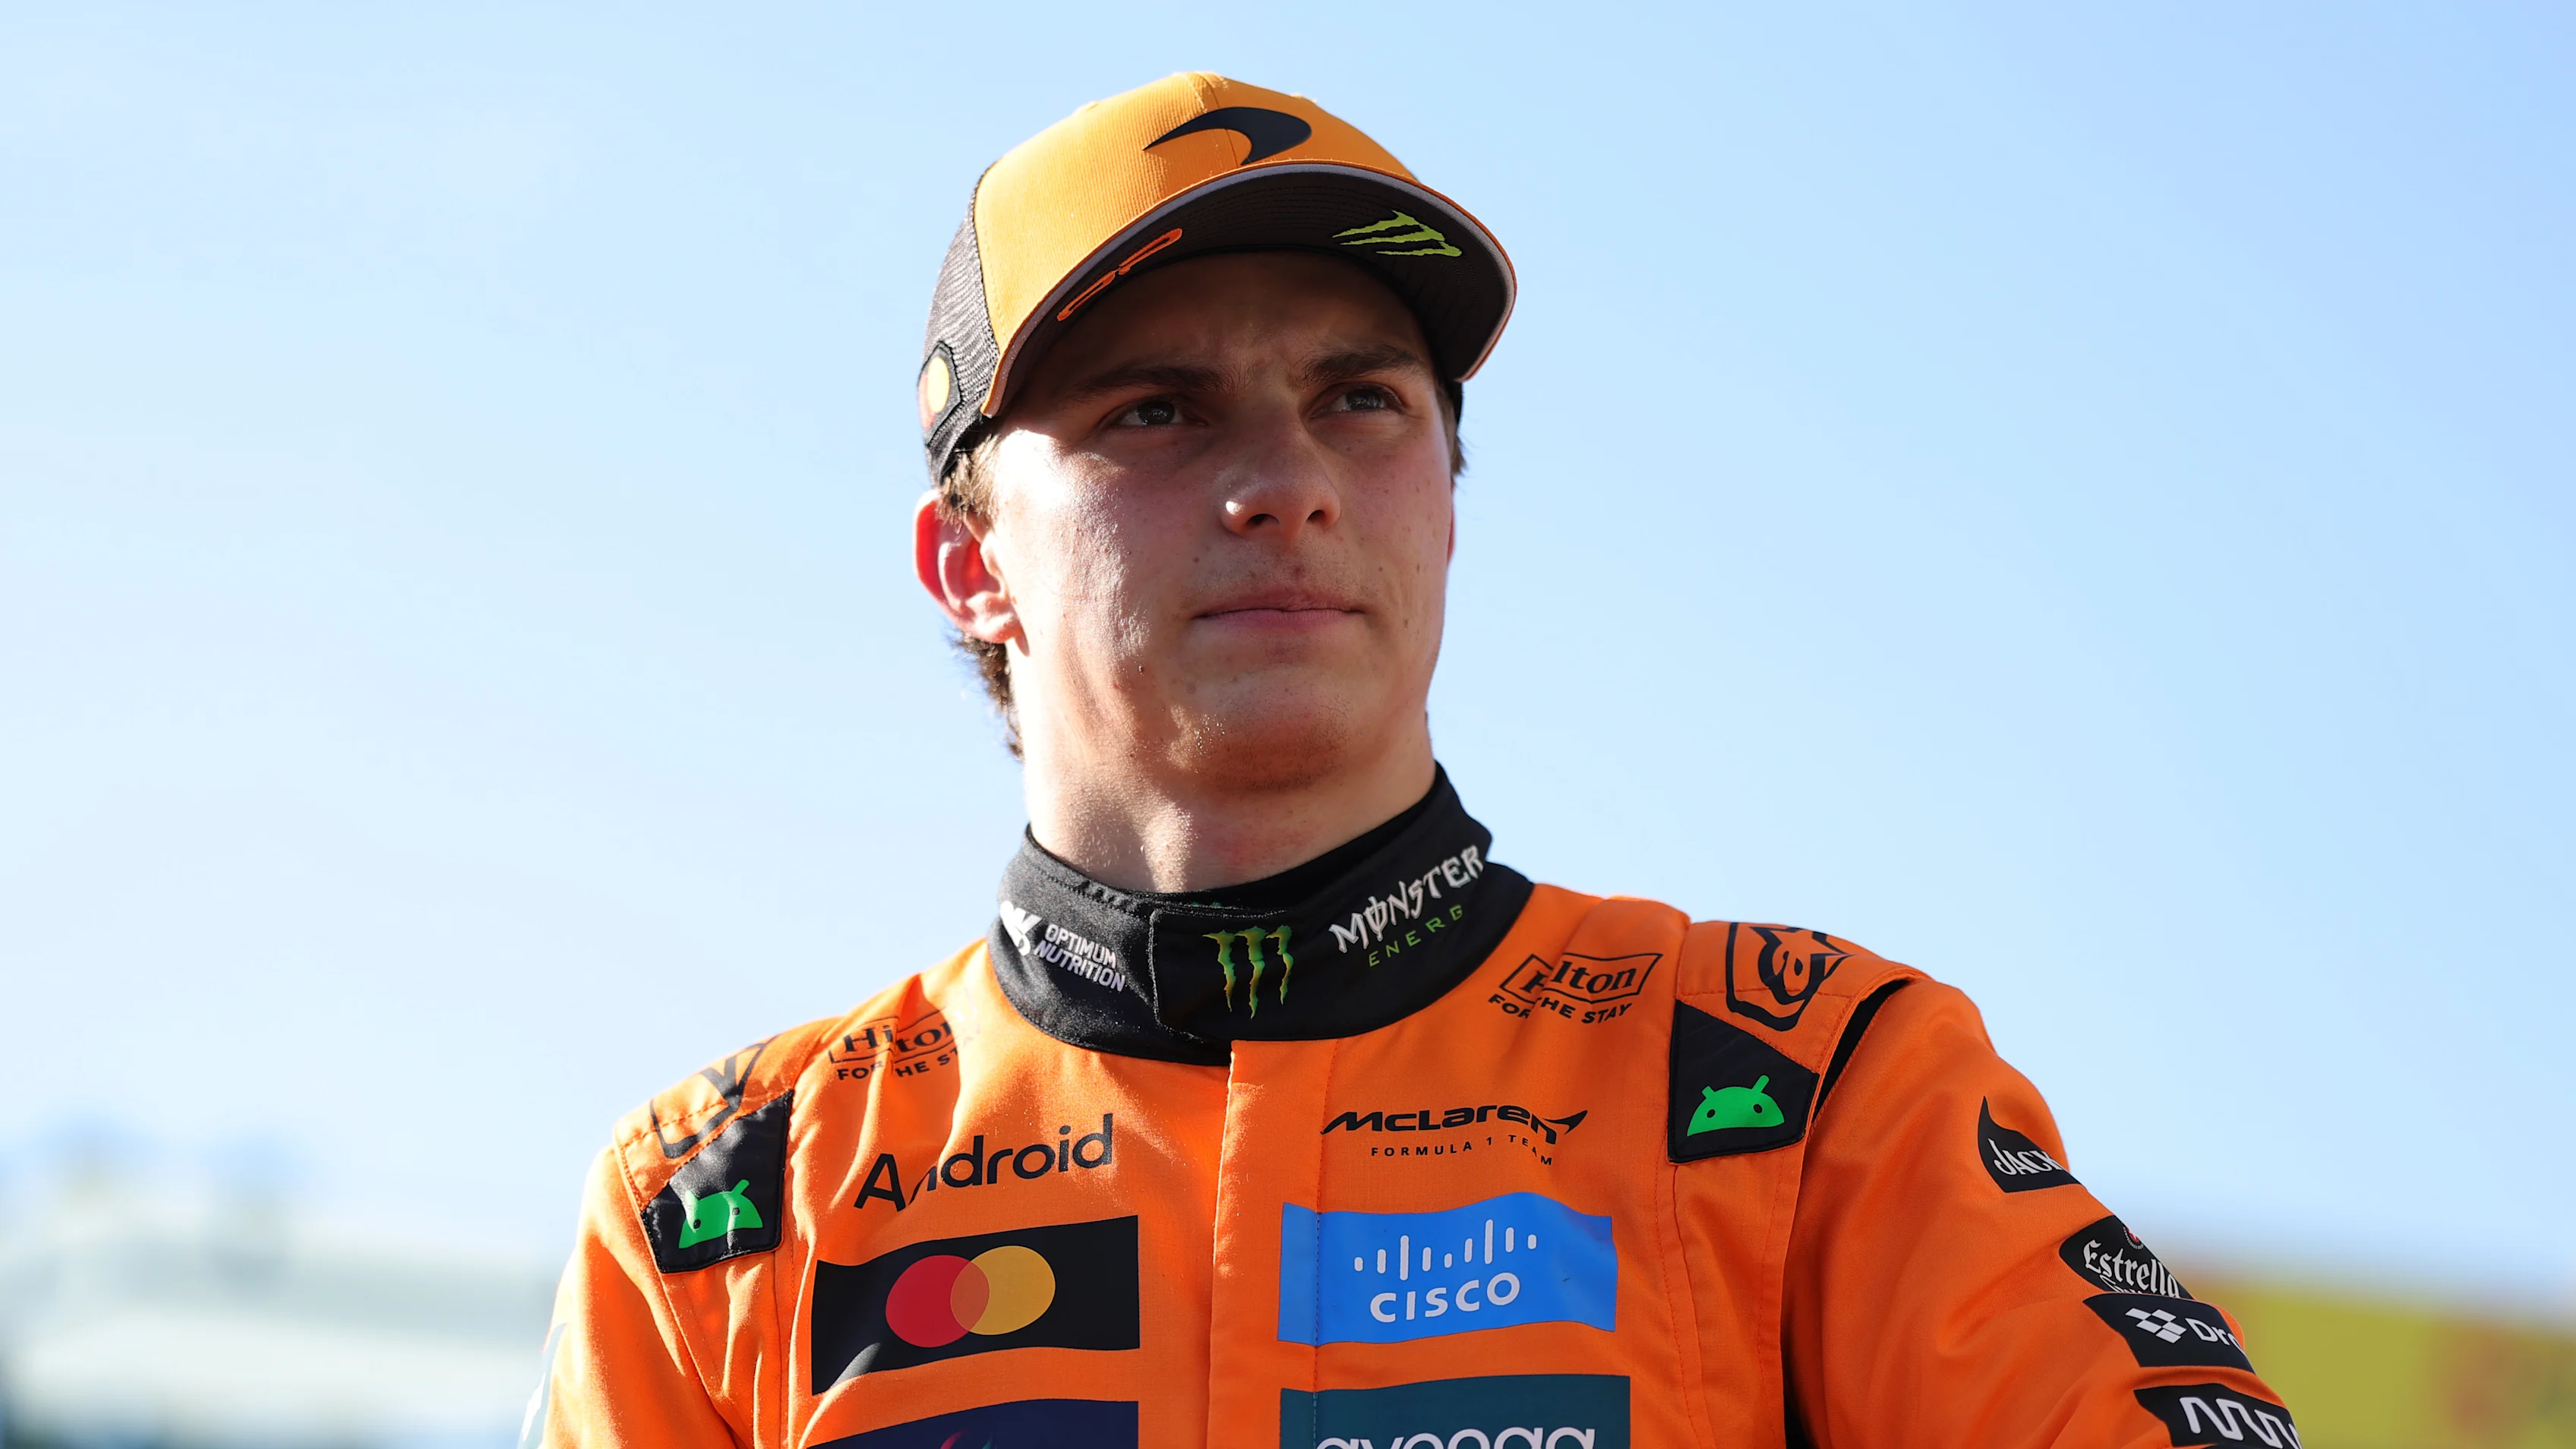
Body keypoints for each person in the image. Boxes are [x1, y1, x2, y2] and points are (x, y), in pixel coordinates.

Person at [522, 73, 2294, 1449]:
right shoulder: (726, 1211)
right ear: (969, 563)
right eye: (1161, 409)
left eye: (1361, 400)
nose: (1284, 478)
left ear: (1447, 498)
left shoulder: (1807, 1088)